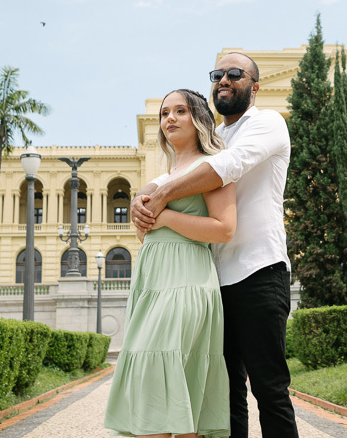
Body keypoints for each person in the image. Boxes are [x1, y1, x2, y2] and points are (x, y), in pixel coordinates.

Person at [133, 53, 298, 438]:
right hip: (211, 281)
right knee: (225, 395)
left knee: (269, 388)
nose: (224, 79)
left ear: (254, 87)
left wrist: (161, 200)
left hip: (258, 271)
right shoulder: (214, 140)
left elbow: (229, 167)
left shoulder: (267, 123)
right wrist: (149, 199)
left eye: (235, 74)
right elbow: (187, 171)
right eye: (217, 74)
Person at [105, 89, 236, 438]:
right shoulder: (162, 176)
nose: (170, 118)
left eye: (181, 111)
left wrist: (164, 219)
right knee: (158, 382)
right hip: (152, 284)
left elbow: (223, 229)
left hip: (187, 280)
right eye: (165, 113)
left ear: (199, 120)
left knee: (169, 375)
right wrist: (145, 216)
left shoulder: (211, 166)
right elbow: (142, 234)